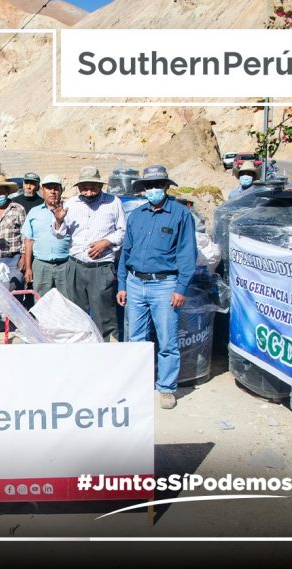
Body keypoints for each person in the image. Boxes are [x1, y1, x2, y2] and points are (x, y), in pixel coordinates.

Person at [117, 165, 197, 410]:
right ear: (144, 189)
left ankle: (166, 388)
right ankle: (137, 385)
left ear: (166, 186)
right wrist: (122, 284)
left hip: (164, 285)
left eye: (158, 185)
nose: (153, 189)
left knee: (167, 340)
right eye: (149, 185)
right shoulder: (136, 215)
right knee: (136, 339)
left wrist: (181, 288)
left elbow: (187, 254)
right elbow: (126, 252)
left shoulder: (181, 215)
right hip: (135, 283)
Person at [53, 166, 125, 341]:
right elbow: (59, 234)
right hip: (76, 265)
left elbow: (123, 231)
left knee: (104, 314)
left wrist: (106, 242)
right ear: (79, 187)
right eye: (84, 188)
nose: (89, 192)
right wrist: (59, 220)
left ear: (100, 186)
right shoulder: (70, 204)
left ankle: (107, 350)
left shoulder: (113, 202)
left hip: (101, 268)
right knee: (75, 313)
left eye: (93, 188)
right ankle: (79, 349)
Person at [22, 174, 71, 298]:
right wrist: (28, 268)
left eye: (56, 188)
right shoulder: (34, 212)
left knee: (66, 303)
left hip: (65, 265)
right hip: (41, 266)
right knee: (42, 303)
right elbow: (29, 241)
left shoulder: (70, 211)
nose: (52, 192)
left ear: (61, 190)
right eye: (49, 188)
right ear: (42, 190)